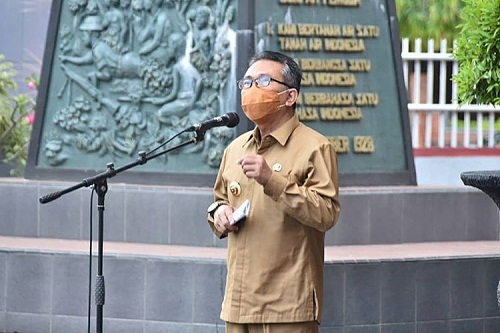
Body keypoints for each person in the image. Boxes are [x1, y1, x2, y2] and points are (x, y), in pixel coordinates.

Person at [207, 50, 341, 333]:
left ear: (290, 97)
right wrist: (218, 214)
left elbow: (326, 214)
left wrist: (273, 180)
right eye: (247, 82)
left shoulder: (315, 147)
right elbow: (219, 200)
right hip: (239, 302)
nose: (252, 90)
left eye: (264, 81)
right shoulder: (235, 149)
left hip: (288, 304)